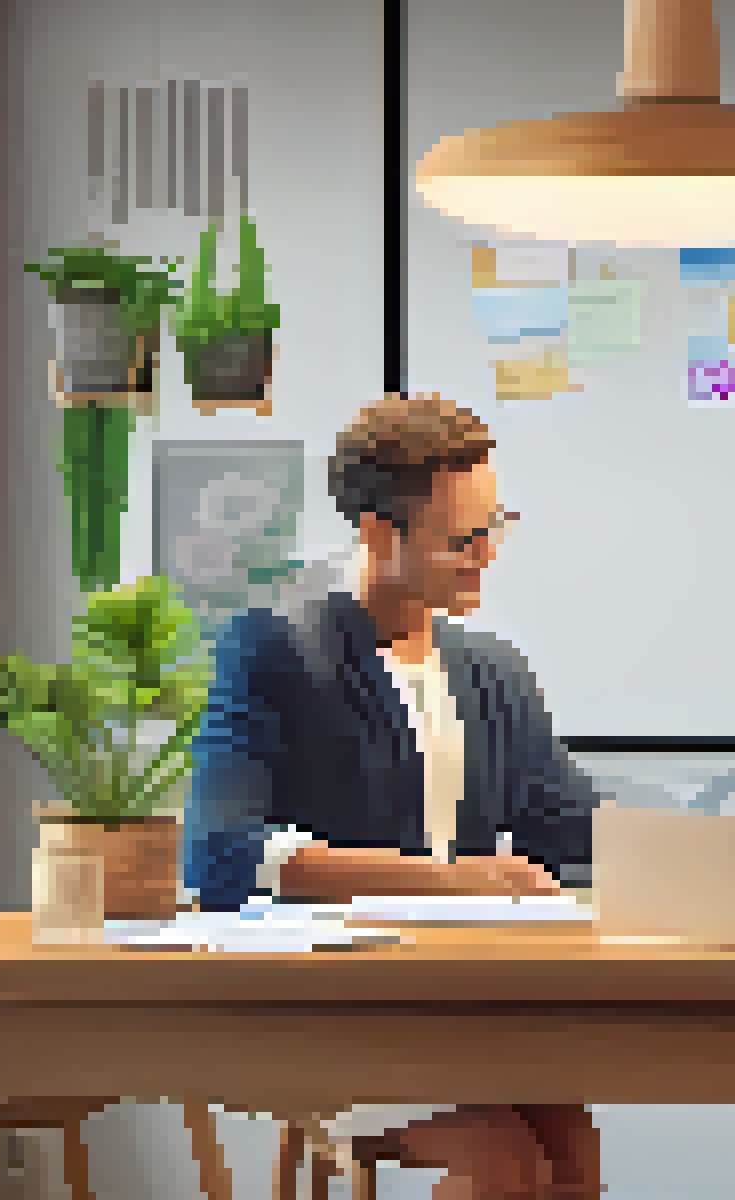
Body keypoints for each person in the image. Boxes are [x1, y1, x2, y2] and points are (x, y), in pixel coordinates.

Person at [183, 392, 602, 1200]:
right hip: (336, 1006)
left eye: (495, 528)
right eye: (462, 539)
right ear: (379, 534)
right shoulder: (276, 647)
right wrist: (446, 881)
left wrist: (684, 853)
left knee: (570, 1149)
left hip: (473, 1000)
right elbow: (220, 854)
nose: (487, 554)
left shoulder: (492, 670)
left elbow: (569, 827)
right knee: (500, 1163)